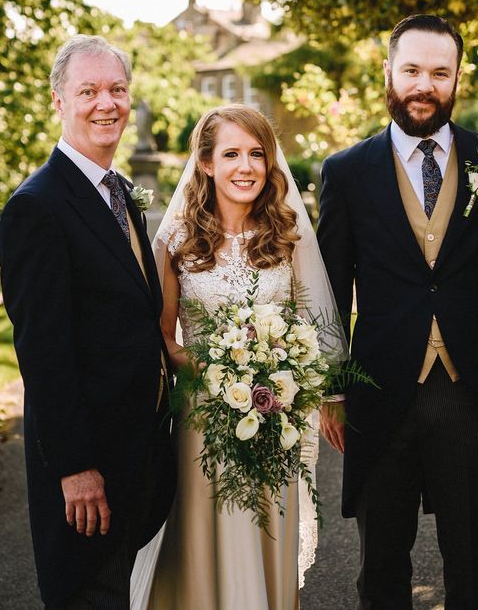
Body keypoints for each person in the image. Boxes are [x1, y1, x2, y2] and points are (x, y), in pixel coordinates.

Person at [317, 14, 478, 609]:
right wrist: (333, 389)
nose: (423, 85)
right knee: (381, 571)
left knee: (472, 569)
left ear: (458, 78)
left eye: (439, 72)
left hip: (470, 392)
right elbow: (331, 287)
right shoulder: (346, 172)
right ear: (388, 72)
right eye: (411, 70)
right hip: (381, 393)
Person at [130, 104, 345, 609]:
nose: (245, 166)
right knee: (201, 546)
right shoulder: (178, 239)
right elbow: (163, 335)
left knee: (265, 537)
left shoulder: (288, 235)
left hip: (273, 423)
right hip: (201, 423)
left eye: (256, 154)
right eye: (231, 154)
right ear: (206, 164)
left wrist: (284, 371)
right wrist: (209, 367)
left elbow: (313, 326)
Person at [0, 35, 176, 608]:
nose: (107, 103)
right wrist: (75, 467)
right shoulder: (38, 206)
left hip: (138, 452)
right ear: (58, 101)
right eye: (89, 91)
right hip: (88, 469)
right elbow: (43, 353)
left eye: (117, 90)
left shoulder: (119, 192)